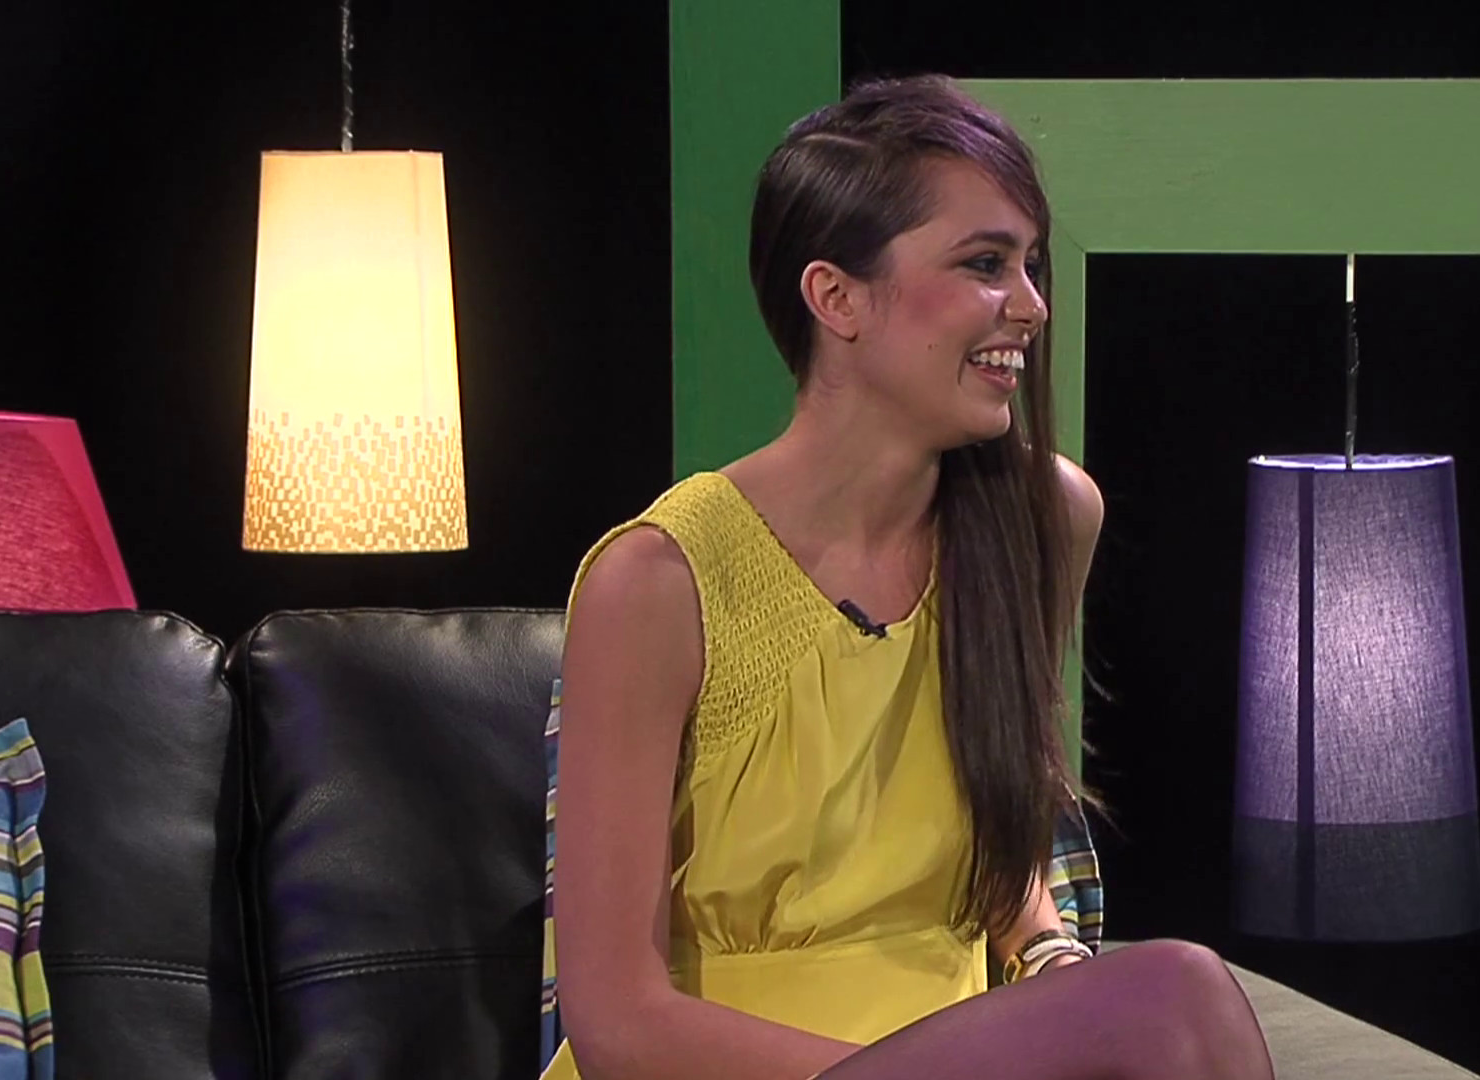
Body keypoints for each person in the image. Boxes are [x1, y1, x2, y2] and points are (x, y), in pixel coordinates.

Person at [543, 74, 1274, 1080]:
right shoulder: (656, 582)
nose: (1031, 305)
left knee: (1169, 999)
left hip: (964, 1050)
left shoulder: (1043, 520)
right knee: (1177, 989)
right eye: (985, 264)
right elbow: (618, 1023)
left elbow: (994, 822)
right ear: (835, 297)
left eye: (1030, 264)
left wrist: (1053, 956)